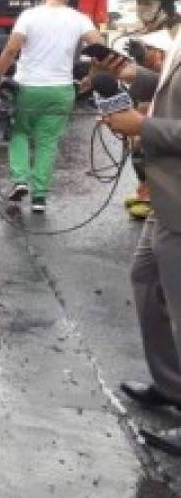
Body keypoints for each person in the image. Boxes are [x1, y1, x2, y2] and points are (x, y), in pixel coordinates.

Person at [104, 30, 181, 455]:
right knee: (147, 281)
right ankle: (172, 387)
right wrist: (136, 75)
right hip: (167, 195)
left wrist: (144, 127)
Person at [0, 0, 102, 213]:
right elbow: (100, 47)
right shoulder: (80, 18)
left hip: (28, 88)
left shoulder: (29, 16)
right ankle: (39, 197)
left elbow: (11, 49)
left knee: (19, 132)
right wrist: (92, 76)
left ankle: (20, 179)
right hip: (61, 90)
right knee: (47, 141)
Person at [119, 0, 181, 219]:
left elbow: (166, 71)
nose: (143, 8)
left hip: (167, 107)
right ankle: (148, 191)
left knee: (152, 149)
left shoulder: (174, 32)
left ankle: (158, 197)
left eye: (148, 3)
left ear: (164, 5)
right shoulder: (144, 30)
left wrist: (146, 58)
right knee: (139, 149)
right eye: (140, 3)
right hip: (145, 99)